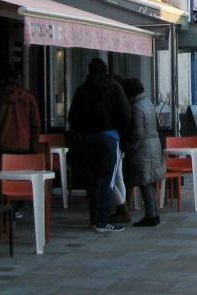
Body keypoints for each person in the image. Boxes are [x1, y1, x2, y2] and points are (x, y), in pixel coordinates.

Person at [67, 58, 132, 232]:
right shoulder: (114, 88)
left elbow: (72, 117)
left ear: (89, 71)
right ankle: (103, 221)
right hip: (109, 137)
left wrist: (83, 132)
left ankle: (94, 219)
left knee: (93, 180)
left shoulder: (82, 90)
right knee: (108, 180)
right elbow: (126, 113)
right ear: (105, 70)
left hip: (88, 139)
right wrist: (119, 132)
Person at [0, 68, 42, 169]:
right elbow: (36, 125)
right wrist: (33, 149)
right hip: (23, 149)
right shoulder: (29, 98)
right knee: (20, 183)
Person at [120, 77, 164, 227]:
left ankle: (151, 216)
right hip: (153, 145)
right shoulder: (148, 103)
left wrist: (129, 146)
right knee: (149, 181)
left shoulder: (136, 107)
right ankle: (153, 214)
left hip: (143, 149)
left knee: (144, 181)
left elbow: (137, 132)